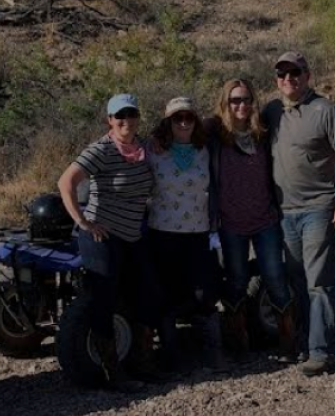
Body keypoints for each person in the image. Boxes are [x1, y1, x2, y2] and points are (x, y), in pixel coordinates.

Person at [56, 93, 164, 392]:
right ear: (110, 120)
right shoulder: (101, 149)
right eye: (120, 116)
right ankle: (111, 372)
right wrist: (83, 222)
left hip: (133, 233)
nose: (126, 121)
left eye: (131, 114)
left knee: (148, 292)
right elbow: (66, 182)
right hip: (102, 235)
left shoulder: (144, 148)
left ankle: (143, 360)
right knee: (103, 297)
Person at [261, 51, 335, 376]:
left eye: (295, 72)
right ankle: (307, 341)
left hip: (319, 207)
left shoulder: (326, 110)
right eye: (282, 73)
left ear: (307, 75)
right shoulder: (272, 111)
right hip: (285, 211)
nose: (288, 78)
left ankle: (321, 351)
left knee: (320, 282)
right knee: (297, 280)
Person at [204, 79, 295, 362]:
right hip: (231, 223)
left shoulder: (262, 133)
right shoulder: (215, 133)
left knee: (275, 278)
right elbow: (181, 132)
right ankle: (238, 344)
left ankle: (288, 342)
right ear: (225, 103)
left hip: (264, 218)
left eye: (245, 99)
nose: (241, 105)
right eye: (234, 100)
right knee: (236, 281)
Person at [145, 96, 226, 372]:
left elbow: (223, 122)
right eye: (176, 118)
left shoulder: (206, 148)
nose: (183, 123)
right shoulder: (153, 149)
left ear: (196, 120)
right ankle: (171, 355)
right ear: (167, 122)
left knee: (205, 292)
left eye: (188, 117)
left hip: (198, 232)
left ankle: (213, 351)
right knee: (166, 294)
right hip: (163, 233)